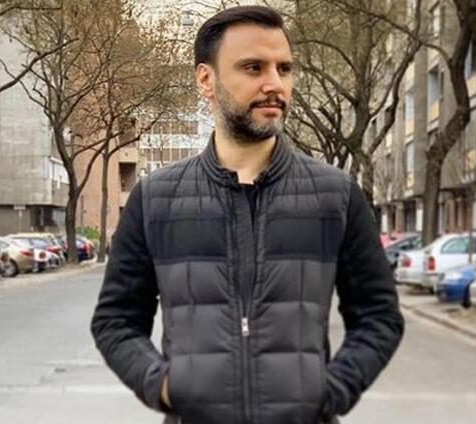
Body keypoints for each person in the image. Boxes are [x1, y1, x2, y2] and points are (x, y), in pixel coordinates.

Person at [91, 6, 403, 424]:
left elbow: (379, 316)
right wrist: (164, 385)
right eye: (253, 68)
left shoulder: (336, 195)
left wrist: (330, 391)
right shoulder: (156, 200)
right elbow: (115, 321)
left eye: (284, 68)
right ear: (206, 80)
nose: (275, 84)